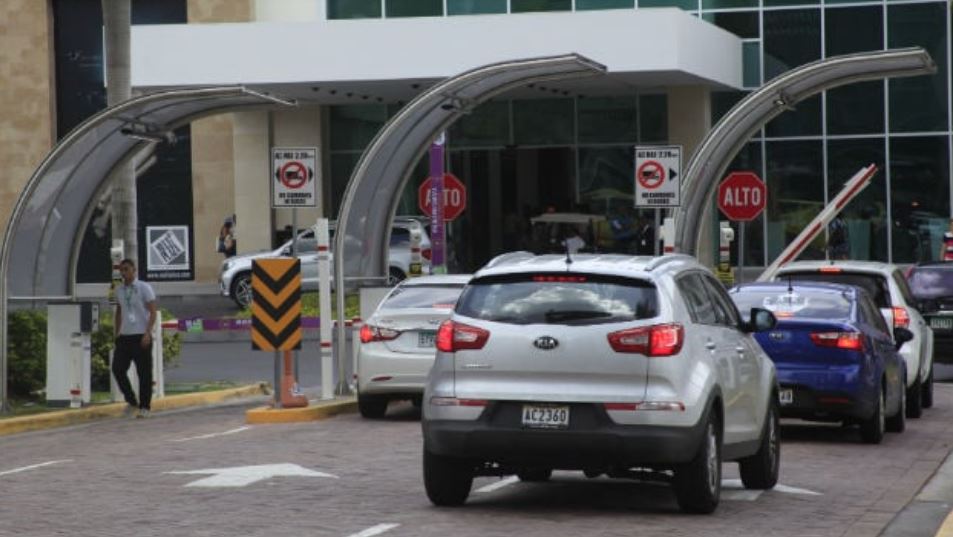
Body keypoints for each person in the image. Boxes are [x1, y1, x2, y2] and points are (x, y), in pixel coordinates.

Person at [113, 259, 157, 419]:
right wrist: (117, 332)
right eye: (121, 270)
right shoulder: (119, 290)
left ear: (134, 270)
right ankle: (131, 401)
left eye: (126, 270)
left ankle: (145, 406)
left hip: (141, 335)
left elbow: (153, 312)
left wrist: (147, 333)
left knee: (144, 373)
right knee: (118, 368)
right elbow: (118, 312)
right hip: (125, 336)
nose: (123, 273)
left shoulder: (144, 288)